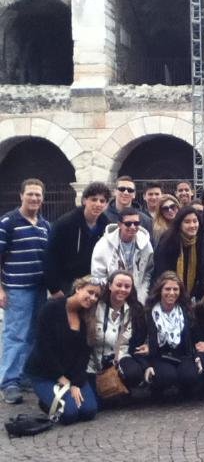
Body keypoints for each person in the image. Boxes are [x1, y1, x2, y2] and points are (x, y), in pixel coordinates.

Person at [24, 276, 101, 424]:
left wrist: (76, 383)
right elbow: (43, 347)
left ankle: (56, 398)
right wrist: (61, 378)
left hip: (71, 373)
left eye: (96, 296)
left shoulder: (87, 317)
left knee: (89, 411)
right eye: (90, 292)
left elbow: (84, 355)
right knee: (69, 415)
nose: (92, 298)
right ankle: (46, 401)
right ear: (78, 288)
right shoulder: (51, 308)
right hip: (45, 373)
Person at [0, 178, 50, 404]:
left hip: (39, 289)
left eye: (38, 195)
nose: (34, 198)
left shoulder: (45, 226)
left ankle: (24, 375)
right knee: (15, 334)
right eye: (30, 193)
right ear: (21, 195)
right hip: (17, 289)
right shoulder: (7, 222)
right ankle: (8, 382)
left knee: (33, 335)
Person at [44, 181, 111, 298]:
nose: (98, 204)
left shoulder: (108, 227)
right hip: (67, 286)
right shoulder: (64, 224)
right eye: (94, 199)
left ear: (106, 204)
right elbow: (51, 256)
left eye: (102, 201)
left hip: (95, 287)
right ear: (84, 200)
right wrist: (55, 289)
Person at [87, 271, 148, 395]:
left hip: (120, 357)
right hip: (93, 360)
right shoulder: (95, 306)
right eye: (119, 285)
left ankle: (122, 389)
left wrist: (147, 347)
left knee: (134, 373)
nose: (123, 289)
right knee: (95, 400)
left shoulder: (136, 310)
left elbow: (141, 339)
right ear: (110, 286)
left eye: (127, 286)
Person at [144, 271, 201, 397]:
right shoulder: (149, 312)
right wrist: (147, 365)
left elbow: (194, 337)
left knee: (190, 377)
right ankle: (156, 388)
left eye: (175, 289)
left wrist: (197, 357)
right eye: (167, 289)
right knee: (167, 377)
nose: (171, 293)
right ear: (160, 290)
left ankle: (183, 386)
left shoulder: (186, 310)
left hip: (181, 355)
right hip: (160, 356)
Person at [91, 207, 154, 303]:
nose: (133, 227)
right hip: (110, 298)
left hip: (137, 298)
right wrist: (113, 294)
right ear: (119, 224)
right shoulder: (103, 244)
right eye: (128, 224)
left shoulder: (145, 244)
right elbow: (98, 276)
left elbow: (148, 273)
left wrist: (142, 294)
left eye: (136, 223)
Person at [153, 206, 204, 300]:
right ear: (179, 224)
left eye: (195, 221)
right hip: (168, 293)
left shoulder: (200, 241)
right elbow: (161, 272)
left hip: (191, 296)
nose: (192, 225)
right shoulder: (168, 241)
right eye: (187, 222)